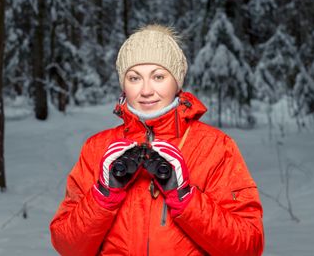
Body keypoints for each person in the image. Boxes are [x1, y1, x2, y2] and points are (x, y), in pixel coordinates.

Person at [50, 24, 264, 255]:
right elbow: (67, 246)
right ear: (123, 84)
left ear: (177, 82)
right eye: (134, 78)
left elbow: (247, 246)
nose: (146, 90)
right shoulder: (97, 148)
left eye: (158, 76)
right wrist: (103, 195)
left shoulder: (215, 147)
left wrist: (185, 197)